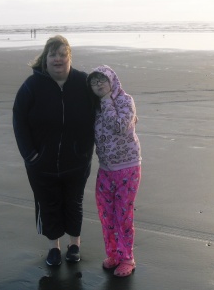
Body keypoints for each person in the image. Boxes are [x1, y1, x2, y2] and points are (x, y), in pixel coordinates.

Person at [12, 35, 95, 266]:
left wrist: (129, 113)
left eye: (62, 54)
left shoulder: (83, 83)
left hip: (77, 161)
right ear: (45, 58)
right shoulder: (32, 86)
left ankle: (74, 244)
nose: (57, 59)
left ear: (70, 57)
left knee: (73, 202)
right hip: (41, 163)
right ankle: (54, 248)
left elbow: (106, 104)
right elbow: (18, 119)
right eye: (52, 54)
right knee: (47, 204)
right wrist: (30, 155)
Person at [87, 65, 141, 277]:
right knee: (106, 213)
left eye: (103, 80)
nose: (99, 84)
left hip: (127, 168)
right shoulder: (95, 105)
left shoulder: (125, 100)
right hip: (106, 169)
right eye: (94, 81)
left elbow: (120, 126)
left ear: (113, 81)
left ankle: (127, 258)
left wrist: (108, 100)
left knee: (122, 215)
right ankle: (114, 254)